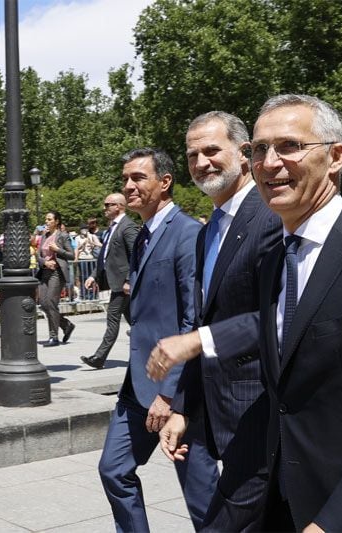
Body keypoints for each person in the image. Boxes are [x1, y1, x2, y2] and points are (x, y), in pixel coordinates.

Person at [149, 95, 342, 532]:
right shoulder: (277, 261)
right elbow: (281, 356)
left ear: (335, 157)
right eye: (259, 149)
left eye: (289, 146)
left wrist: (335, 521)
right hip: (290, 496)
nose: (269, 163)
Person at [149, 111, 282, 531]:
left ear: (244, 154)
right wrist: (184, 409)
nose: (202, 162)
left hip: (264, 416)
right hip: (222, 417)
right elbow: (208, 319)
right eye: (193, 155)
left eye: (211, 151)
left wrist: (195, 341)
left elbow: (280, 316)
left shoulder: (271, 217)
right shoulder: (209, 231)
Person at [97, 148, 218, 532]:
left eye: (138, 178)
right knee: (113, 470)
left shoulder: (188, 234)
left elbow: (192, 319)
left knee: (202, 499)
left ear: (164, 183)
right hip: (137, 386)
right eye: (125, 179)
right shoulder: (143, 236)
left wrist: (170, 394)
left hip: (180, 392)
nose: (128, 186)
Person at [80, 193, 138, 369]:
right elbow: (104, 257)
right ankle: (152, 348)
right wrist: (93, 275)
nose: (104, 208)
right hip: (118, 283)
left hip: (123, 284)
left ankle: (99, 357)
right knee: (136, 322)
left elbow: (136, 255)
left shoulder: (128, 227)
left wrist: (129, 280)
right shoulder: (111, 228)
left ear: (119, 206)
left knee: (113, 317)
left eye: (108, 205)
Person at [36, 210, 75, 347]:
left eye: (50, 219)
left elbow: (71, 255)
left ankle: (54, 337)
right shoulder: (43, 236)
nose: (47, 222)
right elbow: (38, 255)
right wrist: (45, 262)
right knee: (43, 303)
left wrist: (57, 249)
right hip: (44, 272)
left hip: (57, 273)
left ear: (56, 221)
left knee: (51, 303)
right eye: (46, 219)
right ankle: (65, 324)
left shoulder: (62, 236)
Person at [75, 224, 102, 300]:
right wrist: (83, 244)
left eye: (86, 229)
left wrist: (91, 242)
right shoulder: (77, 238)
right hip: (82, 259)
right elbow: (77, 248)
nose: (84, 230)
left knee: (92, 277)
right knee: (83, 277)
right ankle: (84, 295)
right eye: (82, 229)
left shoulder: (92, 236)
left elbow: (98, 245)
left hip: (91, 258)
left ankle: (93, 295)